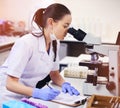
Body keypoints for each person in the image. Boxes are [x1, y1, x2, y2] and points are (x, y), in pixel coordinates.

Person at [0, 3, 80, 106]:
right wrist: (37, 92)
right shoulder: (27, 43)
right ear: (51, 22)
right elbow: (10, 84)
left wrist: (64, 83)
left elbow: (54, 74)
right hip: (7, 96)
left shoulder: (55, 43)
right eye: (65, 26)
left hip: (27, 95)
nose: (68, 31)